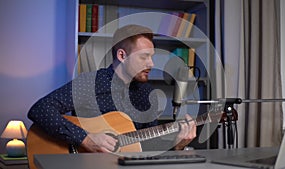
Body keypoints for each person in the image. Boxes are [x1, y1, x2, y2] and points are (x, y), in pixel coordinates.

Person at [28, 24, 196, 153]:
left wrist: (176, 145)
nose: (151, 64)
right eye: (144, 57)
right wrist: (85, 139)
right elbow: (40, 109)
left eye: (152, 57)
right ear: (122, 55)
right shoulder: (90, 83)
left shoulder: (147, 93)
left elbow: (146, 146)